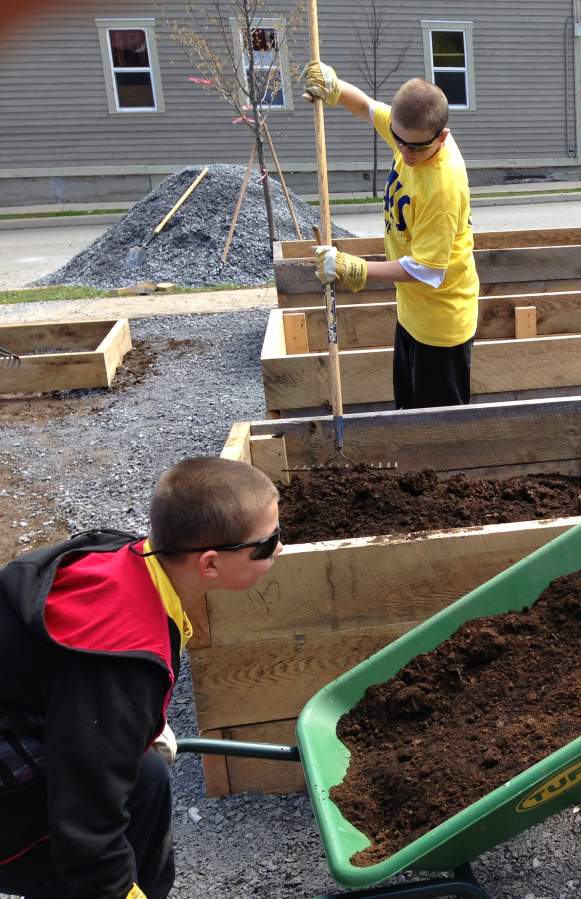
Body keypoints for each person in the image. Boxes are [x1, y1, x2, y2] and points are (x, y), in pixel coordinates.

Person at [0, 457, 282, 899]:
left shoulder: (128, 556)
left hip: (29, 719)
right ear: (210, 564)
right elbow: (87, 831)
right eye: (267, 543)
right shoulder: (122, 663)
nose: (280, 549)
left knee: (145, 776)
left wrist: (140, 728)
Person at [303, 61, 479, 410]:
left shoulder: (442, 187)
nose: (406, 153)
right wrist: (335, 87)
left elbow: (428, 269)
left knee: (437, 428)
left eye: (416, 147)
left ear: (442, 137)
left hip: (442, 325)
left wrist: (357, 269)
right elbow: (368, 108)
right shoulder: (409, 133)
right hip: (412, 314)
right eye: (399, 142)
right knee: (406, 414)